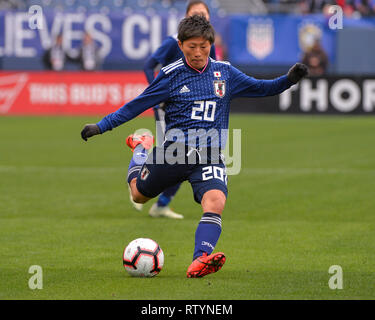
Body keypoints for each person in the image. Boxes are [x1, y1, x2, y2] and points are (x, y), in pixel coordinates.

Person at [81, 15, 308, 278]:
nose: (198, 52)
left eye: (204, 46)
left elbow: (263, 88)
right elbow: (134, 106)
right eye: (192, 47)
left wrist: (290, 79)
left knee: (216, 202)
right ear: (180, 45)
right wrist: (101, 126)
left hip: (209, 156)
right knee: (138, 195)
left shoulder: (225, 72)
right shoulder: (170, 76)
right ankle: (140, 149)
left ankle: (199, 259)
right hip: (173, 154)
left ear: (211, 44)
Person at [139, 0, 217, 219]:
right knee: (177, 157)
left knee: (189, 158)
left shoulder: (208, 45)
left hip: (196, 112)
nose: (201, 17)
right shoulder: (174, 42)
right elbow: (149, 65)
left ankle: (160, 201)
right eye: (196, 13)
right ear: (186, 17)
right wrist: (156, 97)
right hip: (172, 110)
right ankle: (139, 173)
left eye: (204, 14)